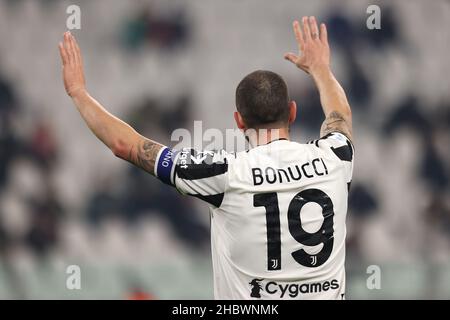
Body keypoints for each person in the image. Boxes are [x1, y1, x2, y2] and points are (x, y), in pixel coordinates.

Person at [58, 16, 354, 299]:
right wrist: (320, 69)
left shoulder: (225, 174)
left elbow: (126, 145)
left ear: (239, 121)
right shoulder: (335, 158)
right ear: (292, 112)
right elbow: (340, 117)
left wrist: (79, 93)